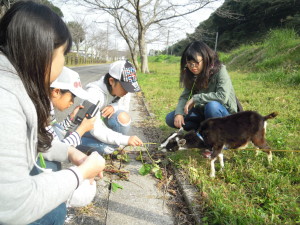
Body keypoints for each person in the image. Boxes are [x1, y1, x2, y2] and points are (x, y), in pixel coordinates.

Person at [0, 2, 105, 225]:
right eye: (63, 55)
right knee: (54, 209)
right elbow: (12, 204)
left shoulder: (21, 87)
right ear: (43, 54)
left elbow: (40, 141)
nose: (64, 62)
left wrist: (71, 153)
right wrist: (80, 174)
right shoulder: (6, 98)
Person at [166, 40, 238, 131]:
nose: (193, 67)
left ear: (205, 58)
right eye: (189, 63)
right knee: (170, 118)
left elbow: (222, 96)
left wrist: (196, 98)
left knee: (212, 106)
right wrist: (179, 113)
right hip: (203, 112)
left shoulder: (220, 70)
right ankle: (202, 130)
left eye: (196, 63)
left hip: (224, 114)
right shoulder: (192, 74)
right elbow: (184, 96)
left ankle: (220, 137)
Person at [77, 60, 143, 155]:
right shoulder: (93, 94)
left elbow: (125, 107)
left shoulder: (123, 90)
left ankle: (111, 144)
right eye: (125, 87)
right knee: (107, 149)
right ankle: (73, 141)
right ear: (111, 81)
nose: (127, 91)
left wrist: (114, 106)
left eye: (129, 87)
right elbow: (96, 129)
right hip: (85, 130)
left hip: (100, 126)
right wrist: (125, 139)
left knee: (123, 117)